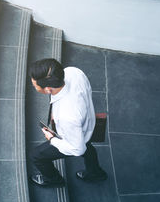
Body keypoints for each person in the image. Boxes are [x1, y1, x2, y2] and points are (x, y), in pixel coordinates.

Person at [29, 58, 107, 187]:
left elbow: (77, 149)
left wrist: (52, 138)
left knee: (36, 156)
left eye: (34, 85)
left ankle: (53, 180)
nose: (33, 86)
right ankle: (95, 173)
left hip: (74, 131)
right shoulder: (73, 72)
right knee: (88, 148)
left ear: (48, 89)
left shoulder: (66, 116)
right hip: (87, 123)